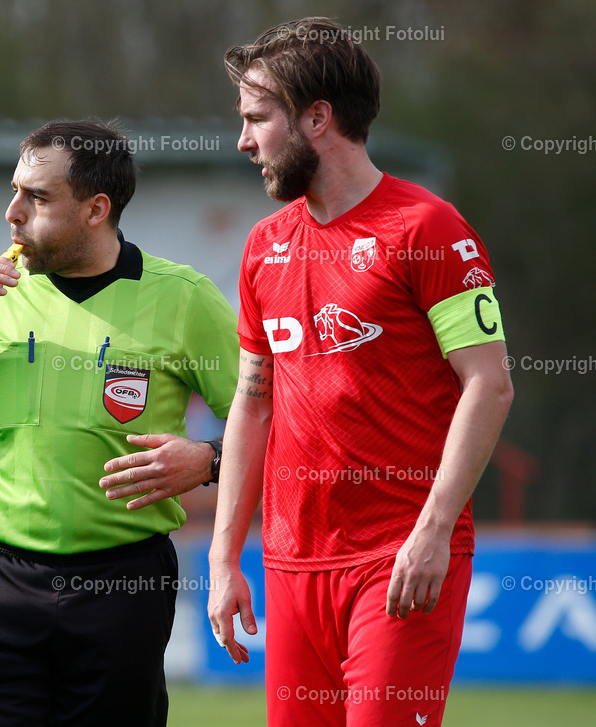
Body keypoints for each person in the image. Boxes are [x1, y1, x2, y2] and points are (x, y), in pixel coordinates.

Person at [206, 17, 514, 727]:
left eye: (257, 119)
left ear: (318, 118)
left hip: (397, 558)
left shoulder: (430, 228)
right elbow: (254, 406)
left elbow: (490, 383)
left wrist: (433, 531)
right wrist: (225, 560)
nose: (244, 141)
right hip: (290, 568)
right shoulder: (263, 247)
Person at [0, 119, 239, 727]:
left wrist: (208, 460)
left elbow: (278, 427)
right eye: (15, 190)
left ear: (96, 209)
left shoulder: (186, 300)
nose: (12, 212)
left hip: (122, 586)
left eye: (37, 197)